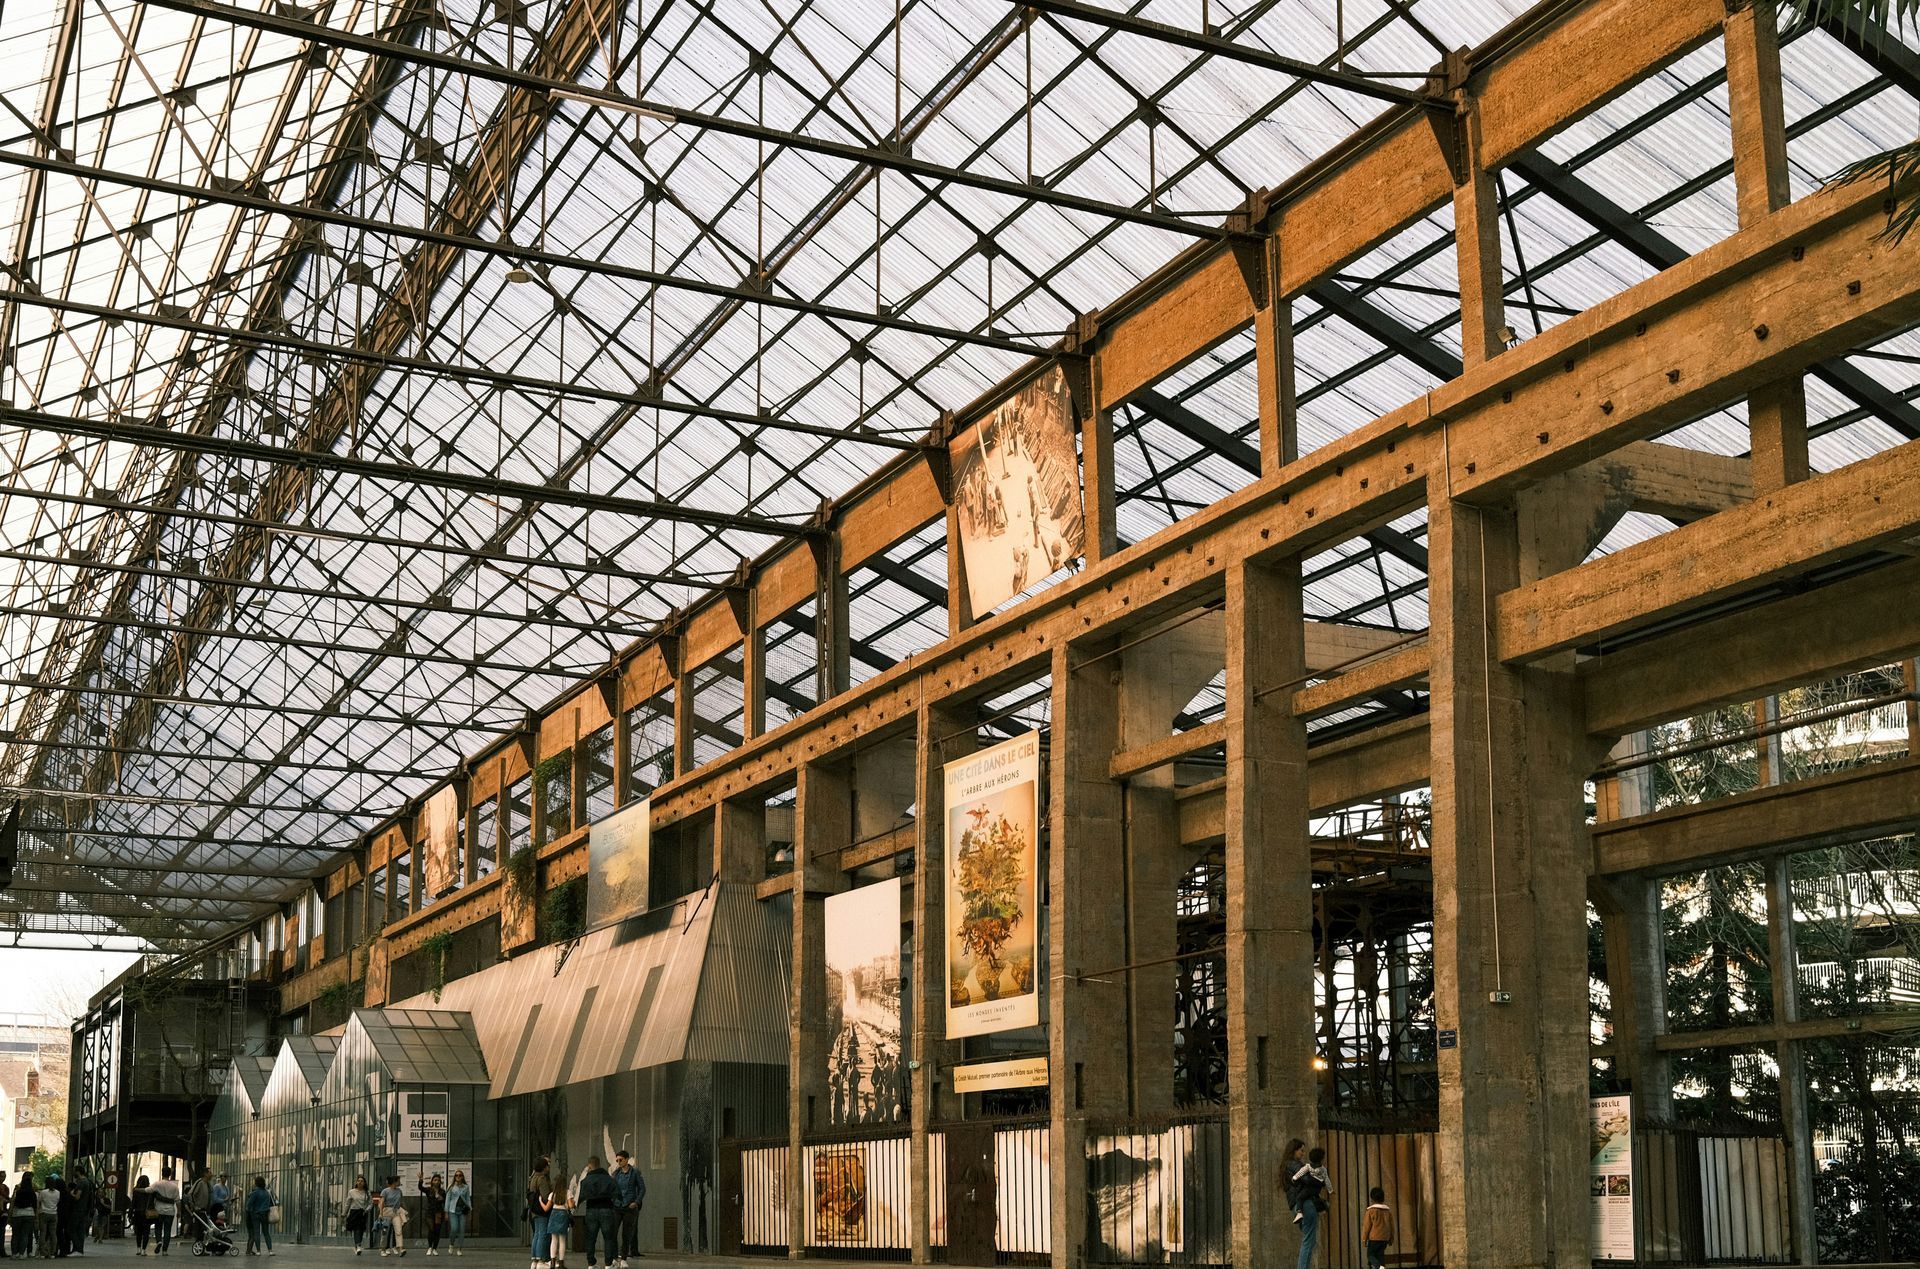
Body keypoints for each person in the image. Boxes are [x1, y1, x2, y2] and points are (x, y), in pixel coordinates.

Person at [1288, 1146, 1332, 1269]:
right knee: (1308, 1241)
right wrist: (1321, 1183)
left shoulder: (1291, 1166)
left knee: (1310, 1240)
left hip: (1298, 1203)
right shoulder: (1298, 1166)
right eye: (1301, 1150)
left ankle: (1299, 1212)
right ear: (1293, 1150)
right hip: (1307, 1204)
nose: (1303, 1153)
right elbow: (1307, 1180)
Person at [575, 1158, 615, 1269]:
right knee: (608, 1238)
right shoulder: (608, 1179)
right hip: (606, 1209)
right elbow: (617, 1193)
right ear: (599, 1164)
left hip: (591, 1210)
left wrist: (575, 1206)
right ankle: (608, 1264)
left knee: (591, 1238)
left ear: (590, 1165)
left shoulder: (586, 1180)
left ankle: (591, 1263)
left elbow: (581, 1196)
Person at [610, 1152, 645, 1267]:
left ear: (626, 1160)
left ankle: (624, 1258)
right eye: (617, 1161)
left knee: (627, 1233)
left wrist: (636, 1202)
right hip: (617, 1206)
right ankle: (614, 1257)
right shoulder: (616, 1174)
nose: (619, 1163)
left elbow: (642, 1188)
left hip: (629, 1207)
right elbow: (612, 1188)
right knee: (613, 1232)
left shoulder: (634, 1172)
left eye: (620, 1160)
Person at [149, 1169, 180, 1257]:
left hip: (159, 1211)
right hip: (170, 1211)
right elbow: (178, 1201)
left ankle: (159, 1241)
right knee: (167, 1230)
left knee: (158, 1228)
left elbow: (148, 1190)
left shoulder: (157, 1184)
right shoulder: (174, 1186)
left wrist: (138, 1189)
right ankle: (165, 1251)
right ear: (170, 1174)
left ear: (162, 1173)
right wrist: (179, 1212)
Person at [1361, 1186, 1394, 1269]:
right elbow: (1391, 1226)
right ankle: (1381, 1267)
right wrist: (1391, 1238)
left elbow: (1366, 1226)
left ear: (1372, 1199)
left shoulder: (1371, 1211)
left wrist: (1364, 1239)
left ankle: (1379, 1267)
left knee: (1370, 1255)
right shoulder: (1387, 1211)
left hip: (1374, 1238)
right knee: (1380, 1256)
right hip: (1384, 1239)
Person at [543, 1178, 571, 1269]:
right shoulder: (567, 1192)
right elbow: (570, 1205)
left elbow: (547, 1208)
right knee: (562, 1240)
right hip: (563, 1214)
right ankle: (561, 1263)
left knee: (553, 1240)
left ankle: (552, 1263)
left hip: (554, 1214)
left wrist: (540, 1201)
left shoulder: (552, 1194)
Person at [376, 1177, 407, 1257]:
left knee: (398, 1230)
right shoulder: (385, 1191)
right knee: (385, 1231)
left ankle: (400, 1248)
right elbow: (382, 1202)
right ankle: (383, 1249)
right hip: (387, 1211)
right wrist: (381, 1213)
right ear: (394, 1182)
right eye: (398, 1181)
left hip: (396, 1212)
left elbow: (401, 1202)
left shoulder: (399, 1191)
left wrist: (404, 1211)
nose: (400, 1182)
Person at [242, 1179, 273, 1256]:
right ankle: (270, 1250)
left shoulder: (255, 1192)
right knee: (266, 1233)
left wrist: (250, 1211)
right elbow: (270, 1203)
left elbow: (249, 1204)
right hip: (265, 1214)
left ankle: (258, 1251)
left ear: (256, 1183)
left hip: (256, 1214)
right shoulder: (267, 1192)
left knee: (256, 1232)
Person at [416, 1176, 445, 1257]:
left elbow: (444, 1200)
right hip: (430, 1212)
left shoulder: (442, 1191)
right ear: (432, 1181)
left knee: (437, 1230)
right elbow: (420, 1188)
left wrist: (440, 1197)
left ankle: (435, 1248)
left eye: (438, 1180)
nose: (437, 1181)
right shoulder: (429, 1190)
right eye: (435, 1180)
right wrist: (420, 1180)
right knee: (431, 1229)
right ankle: (429, 1247)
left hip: (438, 1212)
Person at [443, 1173, 471, 1258]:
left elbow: (467, 1198)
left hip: (462, 1210)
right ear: (454, 1177)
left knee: (462, 1229)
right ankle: (451, 1243)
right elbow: (448, 1200)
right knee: (454, 1228)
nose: (458, 1177)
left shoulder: (465, 1187)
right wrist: (446, 1212)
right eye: (456, 1175)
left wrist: (470, 1208)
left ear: (462, 1177)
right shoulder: (451, 1187)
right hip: (453, 1210)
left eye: (460, 1175)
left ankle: (459, 1248)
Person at [64, 1170, 91, 1256]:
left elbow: (77, 1197)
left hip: (77, 1209)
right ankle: (79, 1250)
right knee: (80, 1230)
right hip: (84, 1209)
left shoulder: (81, 1183)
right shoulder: (88, 1182)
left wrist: (71, 1193)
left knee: (71, 1229)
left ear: (78, 1172)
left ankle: (77, 1247)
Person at [344, 1178, 372, 1256]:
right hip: (354, 1212)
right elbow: (347, 1203)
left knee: (361, 1229)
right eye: (358, 1181)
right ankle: (358, 1245)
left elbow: (370, 1203)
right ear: (356, 1182)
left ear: (364, 1183)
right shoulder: (352, 1192)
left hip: (362, 1212)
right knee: (356, 1229)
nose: (360, 1182)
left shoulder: (367, 1192)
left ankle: (357, 1245)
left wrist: (367, 1210)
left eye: (362, 1181)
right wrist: (344, 1213)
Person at [34, 1179, 59, 1260]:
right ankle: (52, 1252)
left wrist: (37, 1213)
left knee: (43, 1233)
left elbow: (39, 1202)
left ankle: (43, 1253)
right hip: (54, 1213)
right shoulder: (58, 1192)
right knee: (53, 1233)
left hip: (44, 1213)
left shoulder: (43, 1192)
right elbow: (57, 1202)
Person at [11, 1177, 34, 1260]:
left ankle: (14, 1254)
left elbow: (14, 1202)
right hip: (29, 1214)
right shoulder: (32, 1192)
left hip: (17, 1214)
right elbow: (35, 1204)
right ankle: (21, 1254)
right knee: (25, 1235)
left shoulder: (18, 1192)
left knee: (15, 1235)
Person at [128, 1179, 151, 1258]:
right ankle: (144, 1250)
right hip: (147, 1214)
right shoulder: (150, 1191)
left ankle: (138, 1248)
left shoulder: (136, 1192)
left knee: (139, 1233)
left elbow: (133, 1204)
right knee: (146, 1233)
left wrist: (130, 1214)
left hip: (138, 1213)